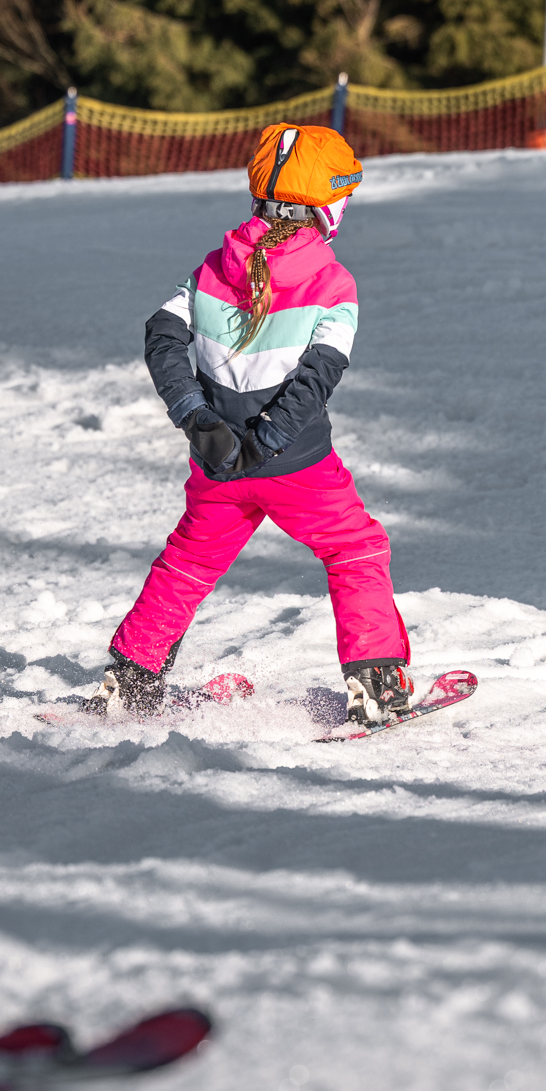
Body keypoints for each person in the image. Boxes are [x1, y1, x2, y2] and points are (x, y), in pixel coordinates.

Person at [104, 123, 412, 729]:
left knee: (189, 561)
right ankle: (377, 685)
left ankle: (131, 681)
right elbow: (318, 377)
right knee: (355, 549)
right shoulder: (333, 284)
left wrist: (200, 422)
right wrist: (266, 442)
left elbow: (162, 337)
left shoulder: (211, 269)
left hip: (218, 464)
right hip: (298, 468)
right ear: (327, 207)